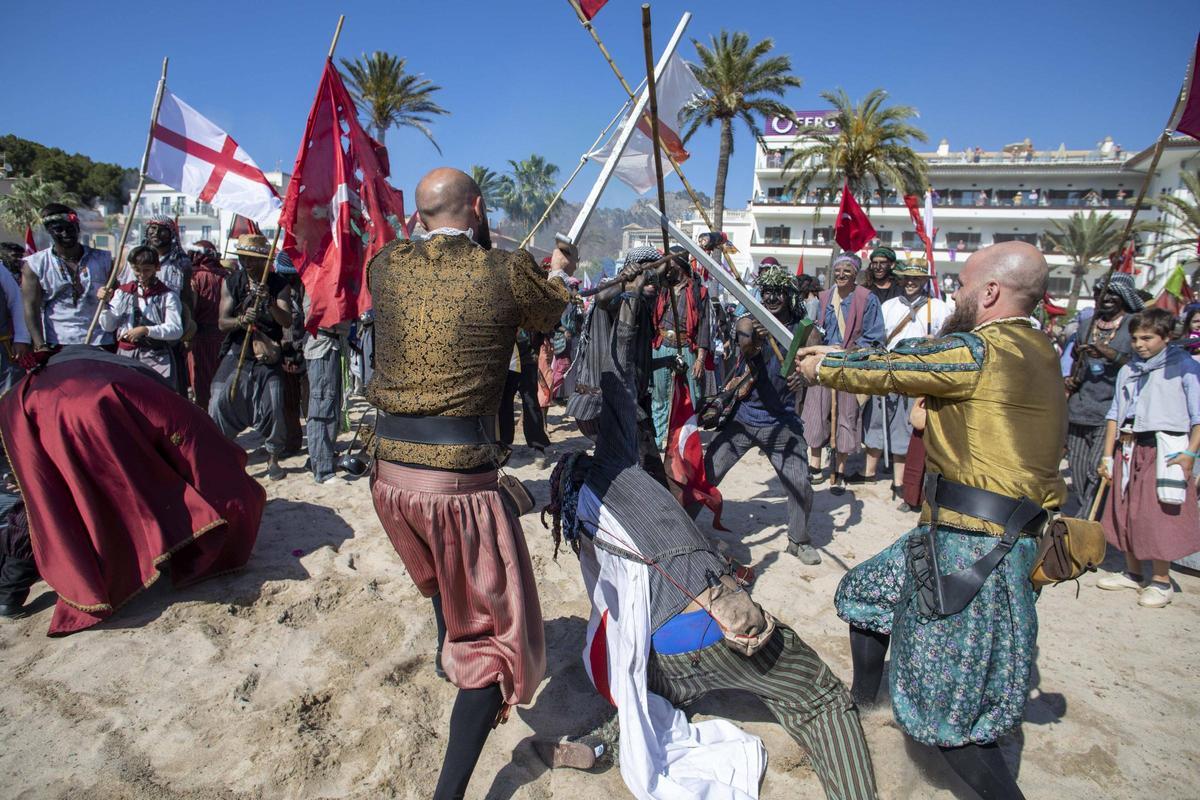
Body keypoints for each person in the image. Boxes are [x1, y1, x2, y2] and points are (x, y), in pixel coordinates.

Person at [543, 304, 879, 800]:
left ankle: (613, 736)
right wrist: (629, 311)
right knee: (817, 699)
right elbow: (618, 388)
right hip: (715, 626)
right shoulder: (618, 471)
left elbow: (613, 615)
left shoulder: (589, 533)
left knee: (655, 698)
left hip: (662, 657)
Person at [797, 241, 1066, 800]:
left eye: (964, 285)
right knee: (869, 592)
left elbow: (898, 364)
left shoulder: (984, 350)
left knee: (950, 720)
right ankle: (866, 705)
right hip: (958, 534)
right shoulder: (1036, 348)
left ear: (990, 292)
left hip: (974, 550)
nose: (957, 294)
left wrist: (829, 364)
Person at [365, 167, 567, 800]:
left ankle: (443, 644)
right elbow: (551, 309)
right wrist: (555, 270)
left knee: (440, 585)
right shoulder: (505, 271)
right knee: (491, 648)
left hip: (388, 480)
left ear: (421, 217)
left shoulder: (384, 265)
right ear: (478, 208)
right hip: (456, 488)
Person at [0, 345, 265, 630]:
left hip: (23, 411)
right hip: (92, 413)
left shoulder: (62, 368)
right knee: (97, 491)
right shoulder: (137, 381)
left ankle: (9, 591)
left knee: (49, 500)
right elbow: (188, 443)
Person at [704, 265, 821, 564]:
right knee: (707, 472)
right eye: (766, 292)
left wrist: (806, 377)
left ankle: (799, 539)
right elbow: (746, 347)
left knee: (801, 484)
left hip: (783, 423)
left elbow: (820, 361)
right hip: (745, 417)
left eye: (777, 292)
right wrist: (755, 339)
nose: (770, 297)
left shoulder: (804, 329)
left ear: (789, 295)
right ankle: (679, 524)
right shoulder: (748, 320)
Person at [1096, 307, 1200, 608]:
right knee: (1125, 509)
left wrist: (1190, 453)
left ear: (1166, 337)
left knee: (1156, 515)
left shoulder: (1184, 367)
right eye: (1135, 338)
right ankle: (1133, 572)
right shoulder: (1129, 370)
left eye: (1147, 338)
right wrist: (1107, 456)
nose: (1140, 344)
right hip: (1129, 446)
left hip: (1165, 447)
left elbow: (1197, 416)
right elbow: (1115, 414)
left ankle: (1161, 581)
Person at [862, 259, 953, 498]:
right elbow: (877, 337)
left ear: (925, 281)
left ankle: (899, 481)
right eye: (907, 278)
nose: (911, 282)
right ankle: (868, 472)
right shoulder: (889, 306)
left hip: (918, 372)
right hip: (889, 367)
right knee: (876, 418)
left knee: (906, 424)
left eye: (917, 278)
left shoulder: (939, 307)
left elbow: (949, 340)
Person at [208, 234, 294, 482]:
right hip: (238, 350)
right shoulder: (231, 282)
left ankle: (273, 457)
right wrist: (241, 320)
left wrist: (269, 301)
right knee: (218, 397)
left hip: (268, 354)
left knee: (274, 403)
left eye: (254, 259)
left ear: (265, 261)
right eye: (245, 258)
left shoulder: (279, 284)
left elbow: (286, 320)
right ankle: (223, 450)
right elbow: (223, 322)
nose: (249, 263)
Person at [800, 253, 883, 490]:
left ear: (855, 272)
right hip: (822, 363)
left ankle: (840, 470)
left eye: (847, 270)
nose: (841, 274)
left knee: (847, 416)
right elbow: (812, 329)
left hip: (850, 364)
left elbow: (874, 336)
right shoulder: (824, 297)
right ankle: (815, 465)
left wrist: (849, 352)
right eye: (838, 270)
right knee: (816, 411)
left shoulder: (867, 299)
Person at [1065, 273, 1140, 514]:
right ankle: (1086, 513)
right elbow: (1077, 360)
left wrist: (1108, 353)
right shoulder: (1087, 325)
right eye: (1101, 293)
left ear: (1124, 296)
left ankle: (1084, 523)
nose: (1105, 298)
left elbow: (1139, 365)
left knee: (1095, 471)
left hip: (1110, 411)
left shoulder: (1134, 325)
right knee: (1077, 474)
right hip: (1079, 408)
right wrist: (1071, 379)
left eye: (1112, 293)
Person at [21, 203, 114, 350]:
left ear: (77, 227)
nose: (66, 233)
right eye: (59, 229)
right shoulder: (35, 265)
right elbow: (30, 307)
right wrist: (40, 345)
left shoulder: (104, 259)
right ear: (49, 231)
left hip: (101, 341)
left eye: (70, 228)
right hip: (57, 343)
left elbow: (119, 298)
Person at [649, 245, 710, 447]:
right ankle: (659, 440)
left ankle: (684, 441)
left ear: (681, 265)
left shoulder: (698, 292)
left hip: (687, 348)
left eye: (670, 263)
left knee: (691, 397)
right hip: (662, 345)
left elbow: (703, 328)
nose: (667, 268)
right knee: (659, 396)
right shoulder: (660, 289)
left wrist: (700, 359)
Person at [97, 245, 184, 383]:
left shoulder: (167, 296)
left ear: (157, 268)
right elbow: (109, 327)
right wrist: (104, 305)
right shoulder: (123, 293)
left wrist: (145, 330)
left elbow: (176, 330)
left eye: (147, 270)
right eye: (137, 270)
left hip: (156, 357)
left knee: (156, 397)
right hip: (126, 355)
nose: (142, 275)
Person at [304, 295, 349, 485]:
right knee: (322, 407)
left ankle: (324, 459)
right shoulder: (319, 283)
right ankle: (322, 469)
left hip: (335, 345)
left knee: (331, 407)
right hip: (323, 345)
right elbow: (313, 315)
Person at [186, 240, 227, 409]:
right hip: (224, 338)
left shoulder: (195, 277)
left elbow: (191, 309)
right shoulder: (228, 276)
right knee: (220, 382)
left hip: (200, 338)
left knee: (201, 382)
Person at [0, 258, 29, 395]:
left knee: (7, 397)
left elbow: (17, 302)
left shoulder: (1, 271)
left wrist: (21, 338)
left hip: (2, 350)